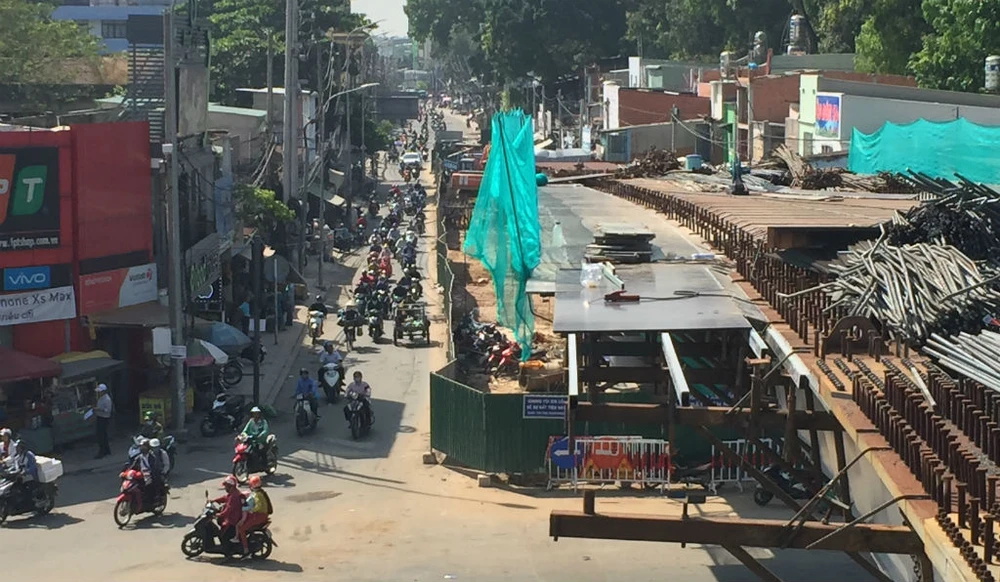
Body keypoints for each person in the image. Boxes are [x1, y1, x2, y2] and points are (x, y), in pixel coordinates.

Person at [232, 475, 271, 558]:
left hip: (258, 516)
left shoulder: (257, 495)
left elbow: (258, 506)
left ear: (252, 485)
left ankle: (245, 549)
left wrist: (250, 509)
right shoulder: (261, 492)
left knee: (241, 528)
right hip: (262, 515)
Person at [213, 476, 246, 552]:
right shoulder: (233, 493)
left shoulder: (234, 497)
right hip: (231, 518)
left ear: (230, 486)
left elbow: (228, 510)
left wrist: (219, 514)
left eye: (226, 486)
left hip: (232, 521)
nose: (225, 488)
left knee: (223, 535)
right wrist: (214, 500)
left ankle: (228, 552)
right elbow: (225, 498)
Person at [94, 384, 113, 459]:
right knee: (102, 435)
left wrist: (98, 409)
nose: (99, 393)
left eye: (100, 391)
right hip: (100, 417)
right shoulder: (101, 398)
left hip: (104, 418)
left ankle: (103, 451)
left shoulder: (107, 399)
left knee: (102, 435)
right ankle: (106, 450)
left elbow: (108, 410)